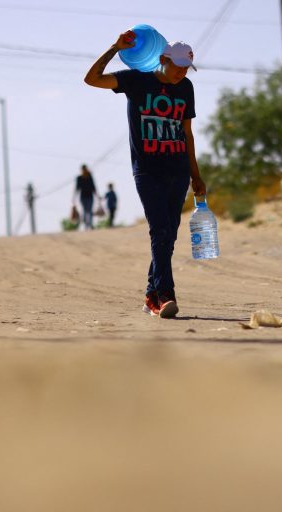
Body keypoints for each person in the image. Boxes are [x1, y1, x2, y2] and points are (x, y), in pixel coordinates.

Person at [84, 32, 206, 319]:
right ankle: (165, 296)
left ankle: (152, 294)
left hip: (177, 170)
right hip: (147, 170)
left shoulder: (186, 88)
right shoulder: (136, 80)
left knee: (169, 234)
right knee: (159, 231)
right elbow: (92, 79)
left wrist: (195, 175)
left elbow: (186, 134)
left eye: (185, 68)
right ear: (162, 59)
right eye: (177, 66)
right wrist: (114, 48)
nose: (181, 73)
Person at [73, 164, 99, 230]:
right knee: (85, 211)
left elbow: (93, 187)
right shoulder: (79, 178)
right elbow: (77, 188)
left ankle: (90, 224)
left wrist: (97, 196)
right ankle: (86, 225)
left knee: (89, 210)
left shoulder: (90, 177)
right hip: (83, 197)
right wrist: (74, 197)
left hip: (90, 196)